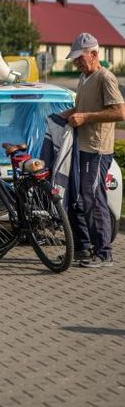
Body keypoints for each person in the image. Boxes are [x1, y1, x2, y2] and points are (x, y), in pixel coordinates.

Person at [61, 33, 125, 268]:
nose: (76, 62)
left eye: (80, 57)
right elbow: (79, 108)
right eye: (75, 58)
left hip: (97, 150)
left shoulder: (105, 78)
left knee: (94, 198)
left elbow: (120, 112)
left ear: (94, 54)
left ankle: (104, 253)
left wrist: (86, 117)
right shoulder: (83, 78)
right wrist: (59, 117)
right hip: (81, 148)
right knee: (78, 198)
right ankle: (84, 248)